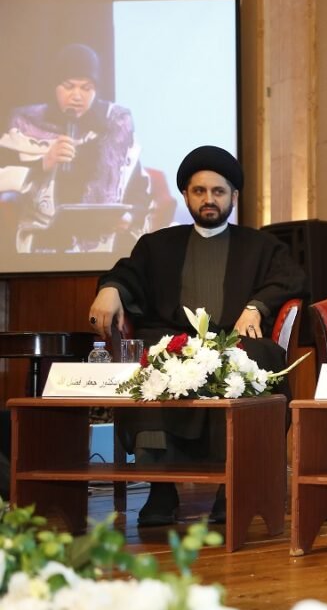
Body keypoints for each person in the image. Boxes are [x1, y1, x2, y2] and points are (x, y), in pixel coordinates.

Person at [88, 145, 306, 526]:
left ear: (233, 196)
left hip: (232, 342)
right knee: (151, 362)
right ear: (186, 196)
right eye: (199, 191)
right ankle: (161, 489)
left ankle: (231, 488)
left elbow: (292, 278)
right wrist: (110, 289)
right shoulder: (157, 245)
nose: (209, 199)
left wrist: (256, 306)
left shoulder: (260, 245)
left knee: (260, 359)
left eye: (218, 191)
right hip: (173, 340)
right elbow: (127, 274)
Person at [4, 44, 151, 255]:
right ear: (55, 86)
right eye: (69, 86)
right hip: (43, 240)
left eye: (86, 88)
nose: (77, 96)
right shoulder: (26, 124)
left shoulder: (115, 127)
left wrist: (130, 217)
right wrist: (44, 163)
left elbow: (139, 190)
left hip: (104, 242)